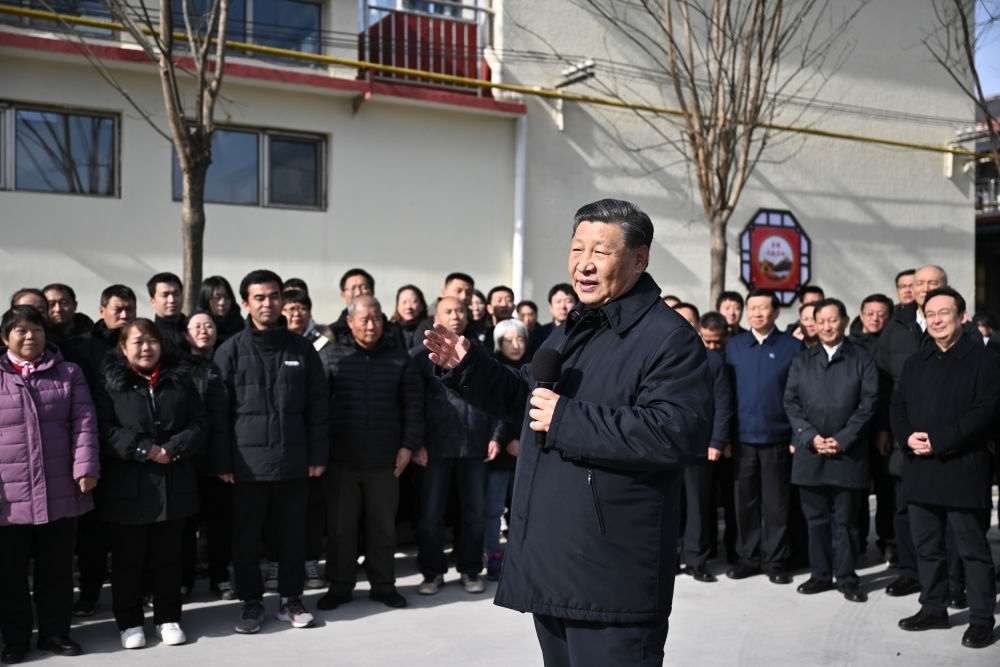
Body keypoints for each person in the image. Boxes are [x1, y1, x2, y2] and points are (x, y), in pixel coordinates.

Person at [423, 199, 712, 666]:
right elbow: (531, 400)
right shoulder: (574, 327)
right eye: (577, 249)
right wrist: (470, 368)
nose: (584, 263)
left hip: (611, 575)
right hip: (555, 562)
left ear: (640, 258)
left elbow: (676, 432)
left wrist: (567, 420)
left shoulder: (668, 337)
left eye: (601, 251)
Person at [213, 270, 328, 635]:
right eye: (259, 297)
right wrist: (223, 461)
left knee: (292, 536)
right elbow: (218, 413)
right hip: (246, 466)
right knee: (246, 539)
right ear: (245, 303)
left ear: (282, 300)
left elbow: (319, 407)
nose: (268, 303)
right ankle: (251, 602)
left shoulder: (302, 350)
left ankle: (291, 598)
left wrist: (318, 455)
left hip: (293, 461)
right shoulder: (230, 350)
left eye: (274, 296)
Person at [891, 287, 1000, 649]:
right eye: (931, 314)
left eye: (944, 313)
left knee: (972, 549)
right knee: (927, 547)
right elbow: (897, 406)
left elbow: (984, 412)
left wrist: (939, 440)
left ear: (962, 317)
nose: (937, 320)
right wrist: (908, 437)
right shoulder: (916, 362)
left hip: (962, 467)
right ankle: (933, 607)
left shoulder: (985, 360)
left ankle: (982, 618)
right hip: (920, 467)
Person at [94, 318, 207, 649]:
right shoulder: (109, 384)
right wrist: (143, 449)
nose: (146, 347)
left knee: (169, 557)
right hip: (127, 485)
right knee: (128, 560)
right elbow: (103, 429)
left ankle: (167, 618)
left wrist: (173, 449)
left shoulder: (179, 379)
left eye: (152, 341)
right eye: (138, 342)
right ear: (123, 348)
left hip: (173, 481)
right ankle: (130, 623)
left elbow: (200, 422)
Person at [0, 305, 99, 664]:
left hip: (58, 489)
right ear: (5, 338)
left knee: (56, 569)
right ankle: (15, 639)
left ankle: (55, 633)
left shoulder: (68, 373)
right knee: (10, 573)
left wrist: (85, 467)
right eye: (21, 330)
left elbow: (84, 422)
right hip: (8, 495)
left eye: (37, 330)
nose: (31, 336)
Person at [316, 295, 423, 611]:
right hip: (341, 459)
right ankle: (340, 586)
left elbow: (414, 405)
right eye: (364, 319)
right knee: (341, 528)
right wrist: (320, 453)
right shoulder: (332, 357)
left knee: (383, 527)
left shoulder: (399, 358)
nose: (372, 325)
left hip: (386, 459)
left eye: (377, 318)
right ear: (350, 322)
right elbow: (318, 408)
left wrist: (408, 445)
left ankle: (384, 585)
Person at [784, 298, 878, 603]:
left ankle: (847, 577)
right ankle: (820, 574)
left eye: (833, 320)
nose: (826, 326)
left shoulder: (861, 358)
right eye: (820, 320)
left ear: (845, 321)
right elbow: (791, 402)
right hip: (810, 453)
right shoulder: (803, 359)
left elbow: (868, 403)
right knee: (816, 520)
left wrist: (844, 438)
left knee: (847, 521)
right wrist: (809, 437)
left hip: (847, 453)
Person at [411, 296, 502, 596]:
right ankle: (432, 573)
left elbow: (496, 395)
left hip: (475, 444)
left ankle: (470, 569)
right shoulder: (421, 355)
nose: (455, 315)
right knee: (431, 514)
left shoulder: (482, 352)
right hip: (435, 445)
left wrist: (496, 435)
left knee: (475, 513)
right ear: (436, 317)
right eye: (448, 311)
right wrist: (416, 442)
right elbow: (414, 403)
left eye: (460, 310)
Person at [725, 288, 803, 584]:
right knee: (744, 502)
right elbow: (725, 395)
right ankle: (748, 557)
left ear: (776, 312)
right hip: (742, 438)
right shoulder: (734, 346)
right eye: (752, 307)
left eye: (763, 307)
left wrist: (796, 436)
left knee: (776, 504)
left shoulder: (791, 347)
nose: (756, 313)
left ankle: (775, 559)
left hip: (777, 438)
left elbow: (800, 395)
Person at [180, 312, 234, 601]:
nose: (204, 331)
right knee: (186, 526)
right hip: (188, 460)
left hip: (220, 459)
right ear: (186, 334)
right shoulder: (178, 366)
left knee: (220, 525)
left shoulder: (226, 362)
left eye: (209, 326)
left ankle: (220, 576)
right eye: (197, 326)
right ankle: (185, 578)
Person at [680, 310, 734, 582]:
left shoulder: (713, 361)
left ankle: (696, 560)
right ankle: (670, 557)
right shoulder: (669, 356)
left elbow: (723, 405)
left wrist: (717, 441)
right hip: (668, 444)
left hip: (700, 447)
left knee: (698, 508)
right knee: (670, 506)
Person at [484, 318, 527, 580]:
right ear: (499, 343)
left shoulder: (533, 369)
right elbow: (491, 409)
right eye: (509, 340)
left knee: (523, 510)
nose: (516, 344)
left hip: (527, 451)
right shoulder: (493, 369)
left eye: (520, 338)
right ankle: (493, 555)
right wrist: (508, 439)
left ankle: (520, 557)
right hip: (500, 451)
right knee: (494, 509)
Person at [146, 272, 188, 356]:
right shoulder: (149, 333)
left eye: (176, 294)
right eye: (165, 295)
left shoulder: (194, 329)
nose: (172, 300)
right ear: (153, 301)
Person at [198, 276, 243, 345]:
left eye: (227, 297)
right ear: (206, 299)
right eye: (217, 298)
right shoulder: (197, 328)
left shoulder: (241, 326)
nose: (222, 303)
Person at [390, 284, 429, 351]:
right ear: (397, 307)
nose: (408, 307)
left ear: (422, 305)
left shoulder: (430, 328)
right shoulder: (389, 331)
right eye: (404, 302)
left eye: (414, 302)